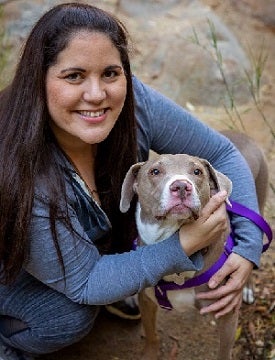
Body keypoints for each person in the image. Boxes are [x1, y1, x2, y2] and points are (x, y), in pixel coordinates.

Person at [0, 3, 263, 359]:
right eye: (74, 76)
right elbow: (86, 282)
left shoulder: (135, 105)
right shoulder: (19, 167)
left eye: (110, 73)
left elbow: (224, 153)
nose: (96, 94)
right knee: (68, 316)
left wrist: (247, 248)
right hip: (13, 270)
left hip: (81, 254)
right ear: (38, 79)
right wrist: (182, 246)